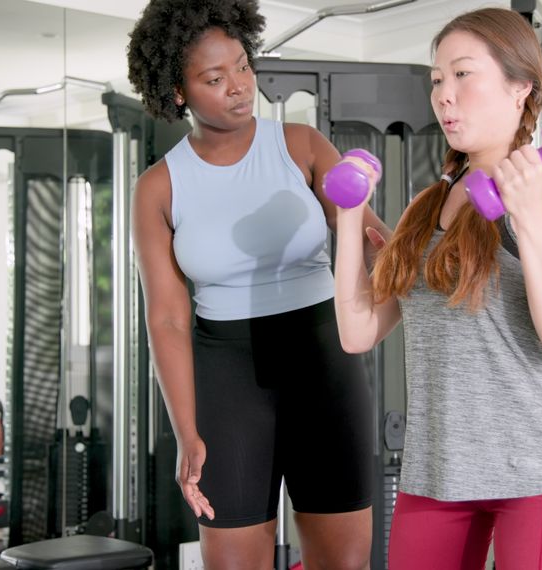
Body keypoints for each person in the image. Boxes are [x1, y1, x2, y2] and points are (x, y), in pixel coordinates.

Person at [331, 7, 542, 569]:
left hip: (536, 469)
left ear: (520, 87)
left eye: (463, 74)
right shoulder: (426, 207)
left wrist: (529, 219)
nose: (444, 95)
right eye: (436, 79)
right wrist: (350, 217)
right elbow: (358, 333)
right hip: (437, 468)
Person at [126, 1, 390, 568]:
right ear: (178, 91)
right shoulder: (159, 187)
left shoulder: (300, 146)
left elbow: (372, 240)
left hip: (324, 356)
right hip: (227, 374)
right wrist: (186, 430)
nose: (239, 87)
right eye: (214, 78)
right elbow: (167, 319)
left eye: (243, 66)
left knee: (343, 562)